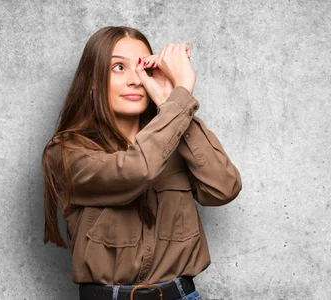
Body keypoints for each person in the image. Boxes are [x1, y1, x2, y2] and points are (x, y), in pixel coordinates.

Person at [41, 26, 242, 300]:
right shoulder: (67, 151)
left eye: (142, 68)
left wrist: (170, 102)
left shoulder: (174, 138)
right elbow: (137, 170)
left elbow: (224, 188)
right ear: (92, 82)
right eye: (118, 68)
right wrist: (181, 95)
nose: (135, 80)